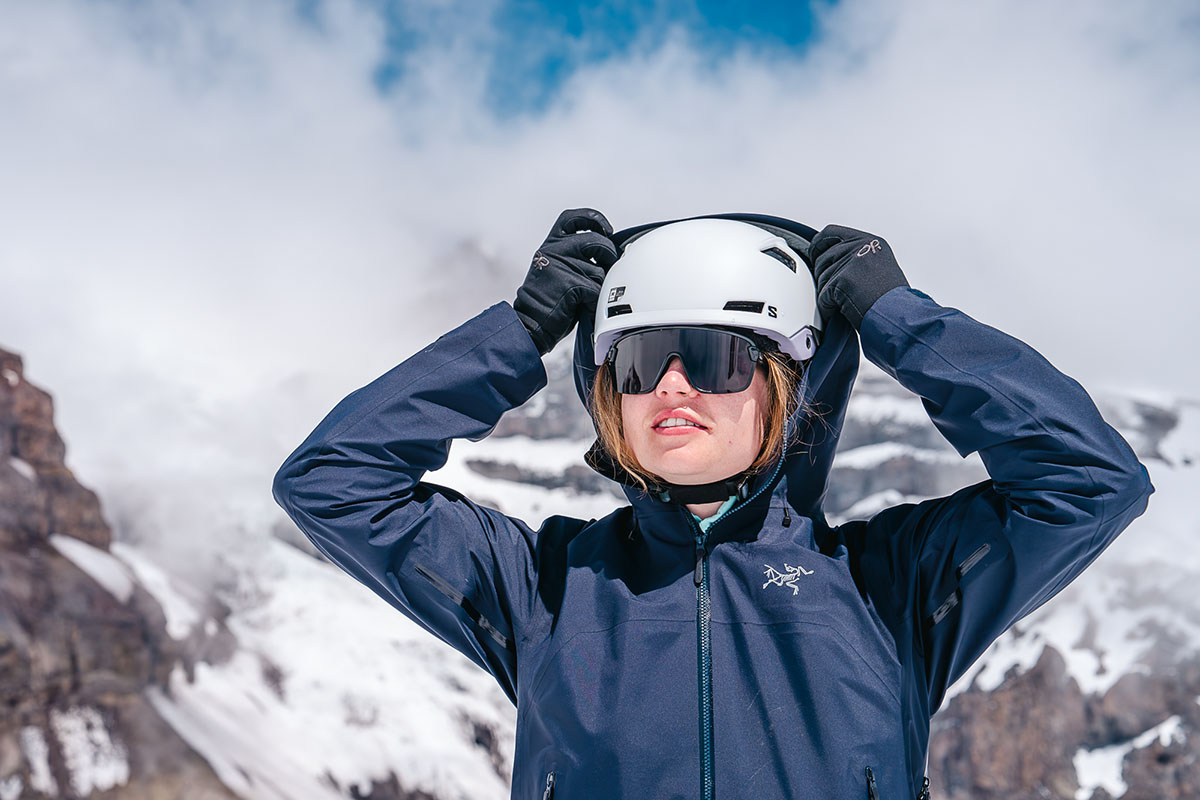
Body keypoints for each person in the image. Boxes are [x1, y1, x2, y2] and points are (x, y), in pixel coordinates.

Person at [273, 209, 1153, 800]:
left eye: (716, 355)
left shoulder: (891, 587)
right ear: (604, 392)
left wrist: (897, 319)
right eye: (638, 359)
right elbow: (332, 483)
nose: (672, 385)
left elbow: (1088, 479)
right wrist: (523, 329)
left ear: (784, 387)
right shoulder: (543, 590)